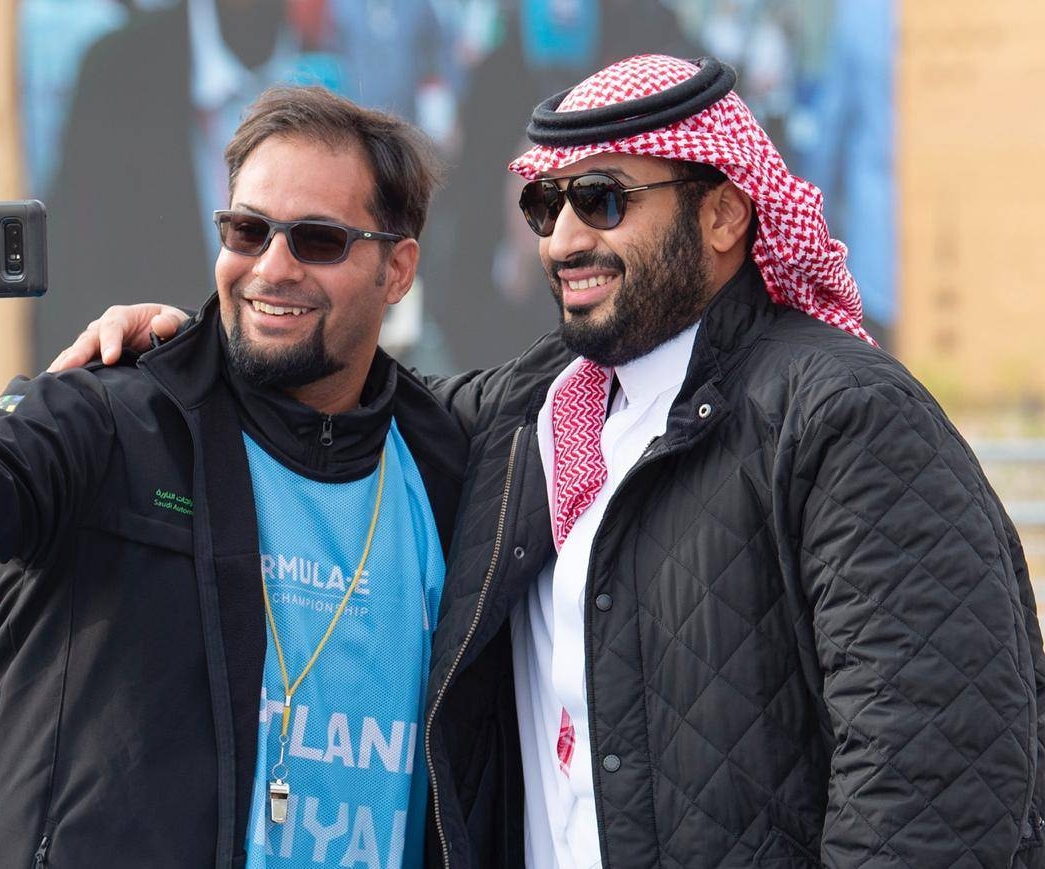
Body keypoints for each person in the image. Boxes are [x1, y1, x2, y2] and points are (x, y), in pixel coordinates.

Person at [61, 54, 1045, 867]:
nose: (564, 237)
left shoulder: (842, 419)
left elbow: (932, 785)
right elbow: (334, 401)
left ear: (722, 216)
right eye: (545, 206)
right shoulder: (526, 413)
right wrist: (187, 352)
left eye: (604, 200)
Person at [0, 87, 469, 868]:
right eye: (248, 230)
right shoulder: (117, 414)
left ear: (398, 269)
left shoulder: (449, 464)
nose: (272, 267)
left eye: (318, 240)